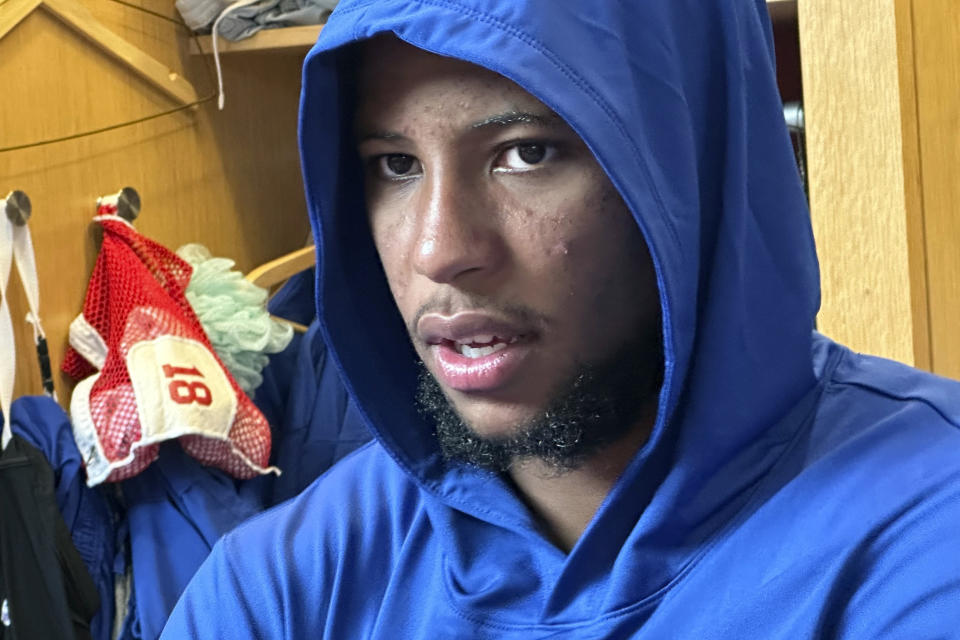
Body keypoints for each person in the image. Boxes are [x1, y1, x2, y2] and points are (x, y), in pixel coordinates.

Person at [162, 0, 960, 637]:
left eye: (527, 153)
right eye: (395, 166)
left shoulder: (923, 535)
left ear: (692, 174)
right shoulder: (280, 590)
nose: (440, 251)